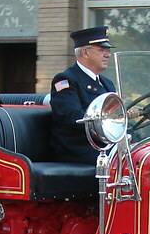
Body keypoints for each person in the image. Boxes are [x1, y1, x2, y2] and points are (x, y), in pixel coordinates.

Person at [49, 26, 123, 164]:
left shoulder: (107, 84)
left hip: (104, 145)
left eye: (107, 51)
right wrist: (105, 125)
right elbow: (72, 118)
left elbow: (116, 115)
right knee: (121, 162)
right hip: (79, 150)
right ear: (85, 52)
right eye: (101, 50)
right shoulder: (66, 80)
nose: (107, 54)